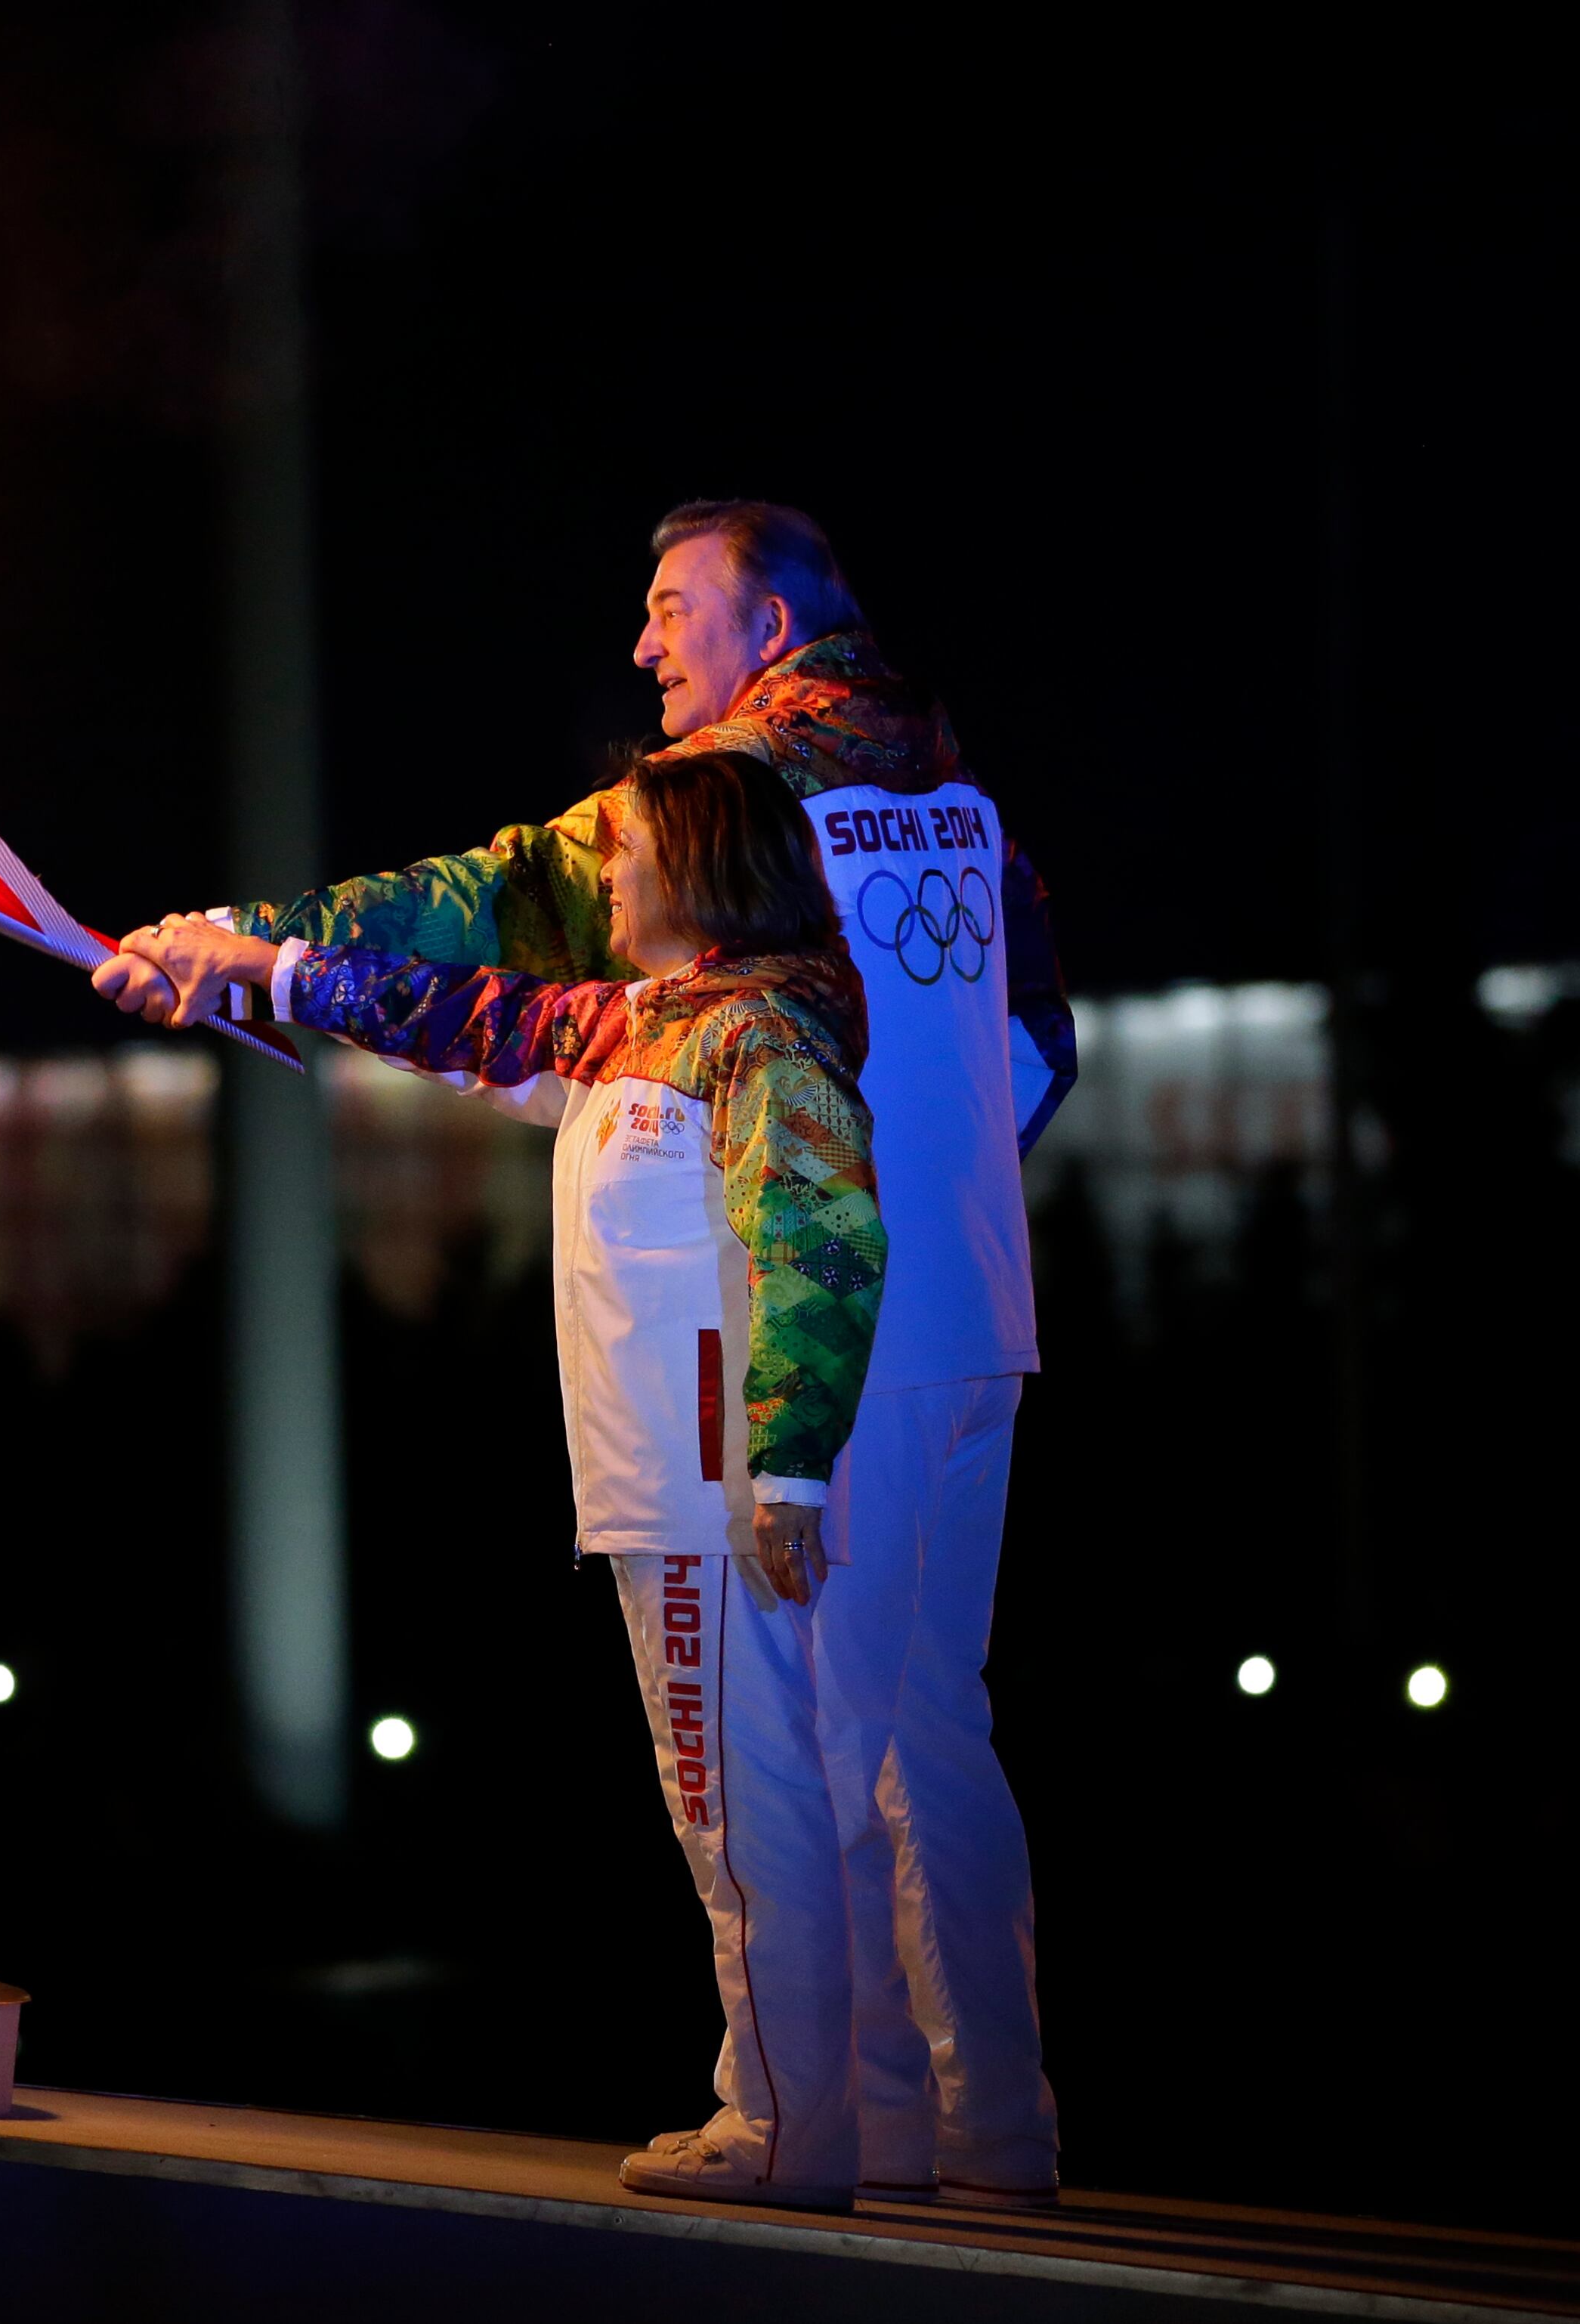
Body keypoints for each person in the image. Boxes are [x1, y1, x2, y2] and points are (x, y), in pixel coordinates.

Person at [104, 500, 1068, 2208]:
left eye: (672, 606)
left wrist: (252, 942)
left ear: (770, 627)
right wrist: (941, 1190)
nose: (645, 643)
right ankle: (982, 2121)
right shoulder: (962, 802)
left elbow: (486, 913)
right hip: (968, 1315)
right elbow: (1041, 1046)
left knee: (793, 1742)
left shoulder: (728, 803)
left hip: (798, 1338)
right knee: (930, 1728)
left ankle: (816, 2118)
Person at [100, 750, 884, 2209]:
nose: (606, 872)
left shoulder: (757, 1033)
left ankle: (787, 2127)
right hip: (674, 1493)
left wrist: (786, 1469)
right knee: (738, 1795)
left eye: (632, 848)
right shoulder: (638, 1026)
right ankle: (814, 2113)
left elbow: (824, 1238)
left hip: (716, 1498)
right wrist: (245, 960)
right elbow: (453, 1011)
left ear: (703, 865)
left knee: (739, 1798)